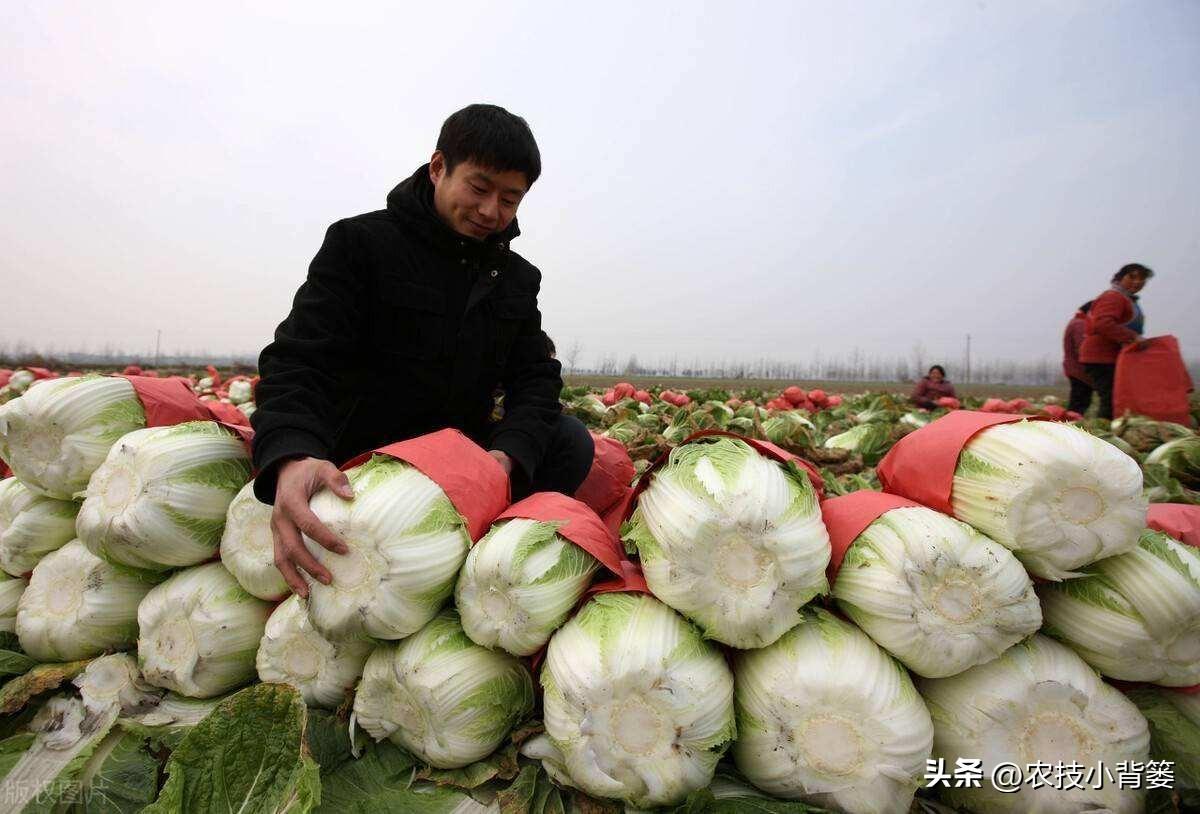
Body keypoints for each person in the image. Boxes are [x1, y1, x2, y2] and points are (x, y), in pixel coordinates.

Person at [251, 104, 594, 596]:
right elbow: (300, 358)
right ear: (438, 168)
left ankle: (490, 565)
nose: (491, 211)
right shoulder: (360, 244)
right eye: (479, 188)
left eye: (510, 199)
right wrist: (292, 455)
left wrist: (505, 457)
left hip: (457, 460)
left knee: (567, 439)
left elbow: (536, 378)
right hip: (365, 458)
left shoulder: (515, 279)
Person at [1079, 263, 1153, 419]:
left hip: (1114, 357)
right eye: (1132, 277)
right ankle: (1102, 436)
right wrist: (1132, 337)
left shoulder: (1127, 299)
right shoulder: (1113, 297)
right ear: (1120, 278)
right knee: (1111, 399)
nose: (1137, 282)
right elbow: (1103, 323)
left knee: (1116, 398)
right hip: (1101, 357)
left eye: (1142, 279)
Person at [1062, 301, 1093, 415]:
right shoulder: (1080, 324)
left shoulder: (1076, 322)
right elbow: (1082, 347)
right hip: (1079, 370)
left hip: (1075, 368)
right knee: (1079, 402)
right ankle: (1071, 425)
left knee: (1079, 400)